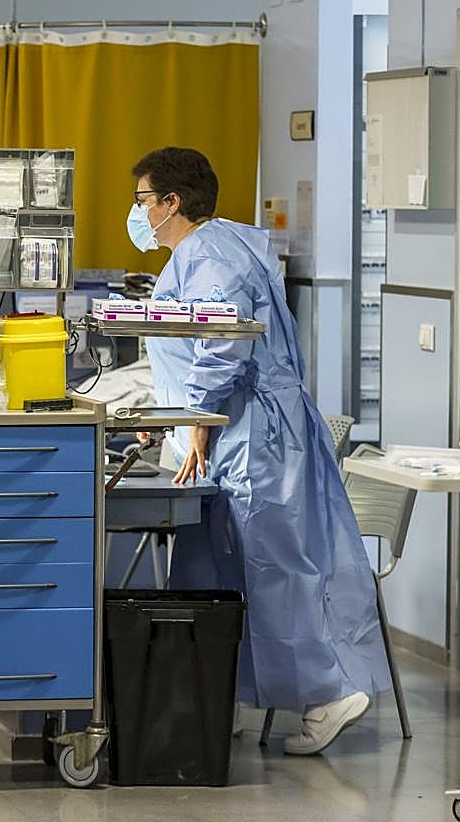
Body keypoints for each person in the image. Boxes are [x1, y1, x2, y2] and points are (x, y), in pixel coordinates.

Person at [129, 147, 390, 755]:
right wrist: (171, 415)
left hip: (250, 433)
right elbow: (186, 344)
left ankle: (327, 692)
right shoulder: (211, 248)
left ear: (173, 202)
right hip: (234, 428)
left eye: (144, 200)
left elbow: (221, 343)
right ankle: (228, 692)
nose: (138, 213)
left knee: (272, 565)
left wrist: (196, 417)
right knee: (216, 562)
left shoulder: (212, 255)